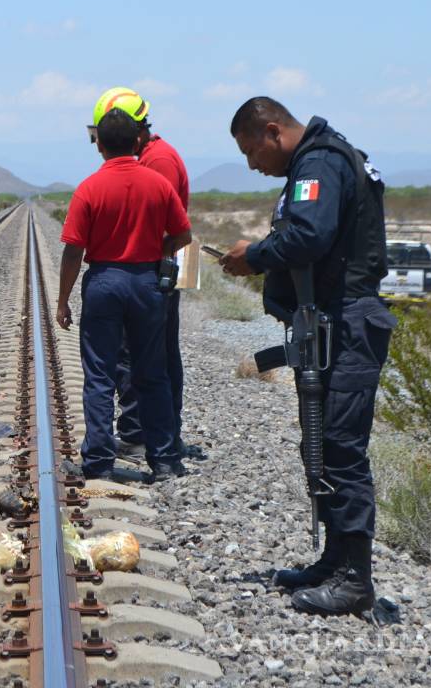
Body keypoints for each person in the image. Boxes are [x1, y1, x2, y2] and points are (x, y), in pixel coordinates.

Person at [219, 97, 394, 616]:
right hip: (332, 323)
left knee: (340, 448)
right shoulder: (320, 159)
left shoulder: (318, 163)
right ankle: (334, 562)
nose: (253, 165)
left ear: (273, 131)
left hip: (348, 323)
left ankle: (355, 580)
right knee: (321, 442)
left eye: (252, 151)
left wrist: (254, 256)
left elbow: (309, 236)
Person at [57, 104, 192, 482]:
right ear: (136, 142)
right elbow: (184, 234)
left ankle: (99, 462)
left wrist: (63, 300)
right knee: (153, 373)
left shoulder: (89, 188)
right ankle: (164, 460)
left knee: (100, 375)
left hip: (104, 282)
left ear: (99, 145)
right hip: (147, 284)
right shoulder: (158, 184)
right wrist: (158, 252)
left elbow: (73, 250)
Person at [96, 87, 197, 461]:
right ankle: (159, 434)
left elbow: (165, 223)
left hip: (153, 271)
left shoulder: (158, 161)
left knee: (142, 355)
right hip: (153, 269)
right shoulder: (155, 156)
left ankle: (141, 435)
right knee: (156, 354)